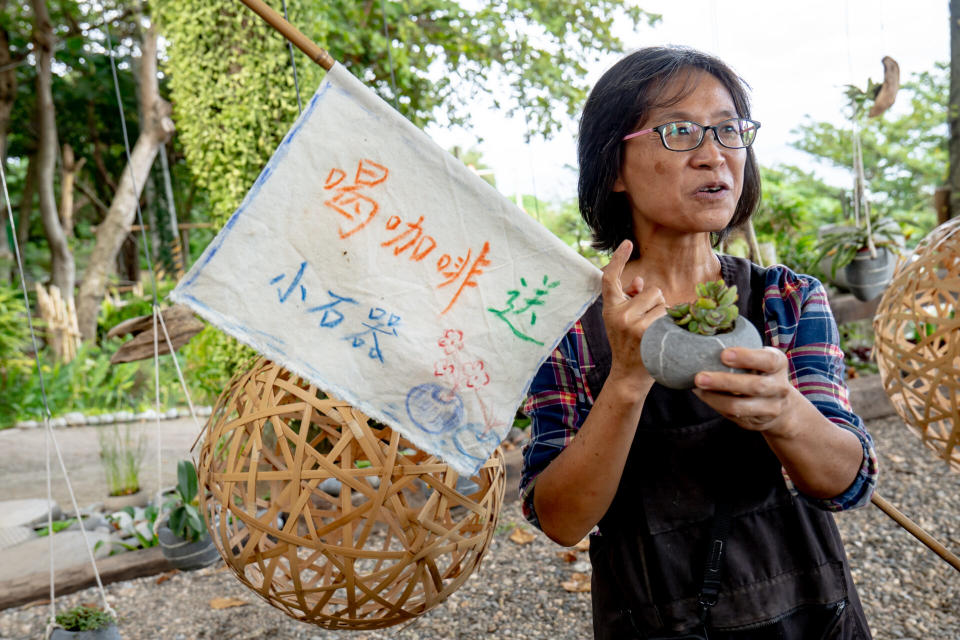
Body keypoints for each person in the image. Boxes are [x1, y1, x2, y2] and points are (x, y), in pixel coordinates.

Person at [519, 46, 878, 639]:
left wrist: (784, 410)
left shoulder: (786, 301)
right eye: (679, 131)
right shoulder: (569, 328)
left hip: (809, 614)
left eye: (729, 130)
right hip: (649, 618)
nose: (714, 155)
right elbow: (561, 520)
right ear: (613, 166)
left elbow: (848, 482)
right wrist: (628, 379)